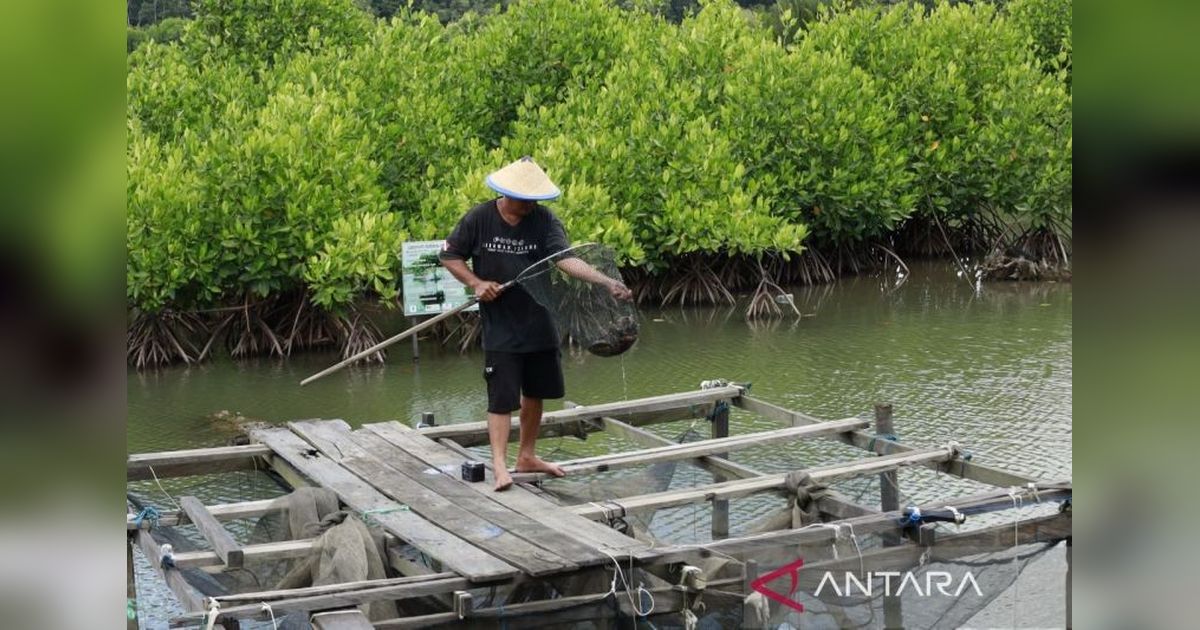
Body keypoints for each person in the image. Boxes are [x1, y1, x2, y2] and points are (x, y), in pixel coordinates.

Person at [439, 157, 632, 491]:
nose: (531, 205)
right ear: (506, 194)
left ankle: (526, 456)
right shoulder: (479, 218)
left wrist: (604, 282)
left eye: (535, 200)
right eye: (525, 199)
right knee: (501, 397)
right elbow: (450, 256)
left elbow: (566, 259)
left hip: (540, 318)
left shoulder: (544, 220)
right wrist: (476, 283)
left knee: (536, 392)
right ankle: (500, 465)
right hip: (500, 322)